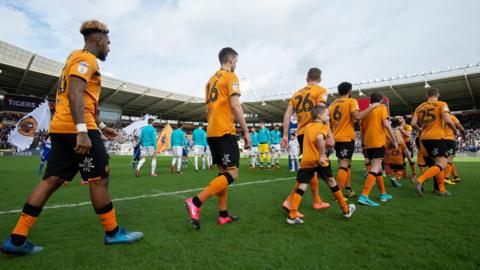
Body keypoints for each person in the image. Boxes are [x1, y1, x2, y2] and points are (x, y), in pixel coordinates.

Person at [1, 20, 143, 255]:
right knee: (99, 180)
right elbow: (75, 93)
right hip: (76, 129)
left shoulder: (73, 58)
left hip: (63, 128)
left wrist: (103, 126)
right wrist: (82, 131)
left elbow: (81, 99)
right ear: (98, 39)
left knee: (52, 180)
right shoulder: (87, 59)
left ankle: (16, 239)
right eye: (108, 42)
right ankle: (113, 232)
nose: (109, 46)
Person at [184, 47, 251, 230]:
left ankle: (223, 214)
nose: (236, 64)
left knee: (223, 173)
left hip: (212, 131)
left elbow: (207, 109)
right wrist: (245, 131)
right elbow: (236, 106)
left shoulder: (209, 81)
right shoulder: (231, 77)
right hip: (224, 131)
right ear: (231, 60)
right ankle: (196, 202)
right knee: (233, 173)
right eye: (236, 61)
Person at [286, 105, 355, 224]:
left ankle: (292, 215)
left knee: (302, 185)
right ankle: (345, 210)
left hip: (306, 160)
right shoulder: (322, 126)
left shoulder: (307, 127)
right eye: (327, 115)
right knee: (332, 182)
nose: (328, 117)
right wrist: (323, 154)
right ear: (319, 116)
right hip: (319, 160)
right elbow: (319, 138)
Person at [281, 68, 331, 212]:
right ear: (320, 79)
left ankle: (317, 200)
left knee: (312, 169)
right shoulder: (321, 90)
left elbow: (287, 114)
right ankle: (290, 200)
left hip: (302, 134)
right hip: (315, 133)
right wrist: (329, 135)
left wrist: (285, 135)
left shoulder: (297, 94)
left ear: (306, 78)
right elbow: (322, 113)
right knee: (309, 170)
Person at [328, 82, 380, 198]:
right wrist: (371, 107)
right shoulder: (351, 101)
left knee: (347, 165)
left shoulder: (332, 104)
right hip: (346, 137)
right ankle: (338, 195)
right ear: (350, 91)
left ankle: (348, 189)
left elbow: (329, 122)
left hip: (336, 137)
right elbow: (358, 116)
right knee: (343, 165)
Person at [411, 87, 457, 196]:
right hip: (436, 137)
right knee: (442, 163)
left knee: (435, 165)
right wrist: (455, 130)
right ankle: (420, 180)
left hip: (423, 139)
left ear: (426, 96)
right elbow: (447, 120)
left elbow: (413, 123)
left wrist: (420, 129)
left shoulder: (419, 107)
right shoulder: (441, 104)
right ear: (438, 95)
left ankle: (440, 189)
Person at [358, 93, 397, 206]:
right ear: (381, 100)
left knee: (378, 168)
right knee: (375, 168)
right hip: (378, 141)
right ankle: (364, 196)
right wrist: (394, 140)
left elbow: (362, 130)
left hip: (368, 142)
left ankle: (383, 194)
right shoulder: (382, 107)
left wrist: (363, 144)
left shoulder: (366, 111)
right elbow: (386, 124)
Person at [442, 114, 466, 184]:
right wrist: (464, 136)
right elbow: (461, 128)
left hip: (441, 140)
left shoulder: (440, 118)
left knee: (446, 159)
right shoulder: (451, 117)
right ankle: (446, 177)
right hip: (449, 140)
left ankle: (455, 177)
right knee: (449, 158)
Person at [397, 115, 416, 180]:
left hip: (407, 144)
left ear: (404, 119)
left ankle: (414, 174)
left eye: (400, 118)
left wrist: (401, 130)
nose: (398, 119)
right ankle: (404, 174)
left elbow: (408, 134)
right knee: (401, 161)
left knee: (410, 158)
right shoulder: (397, 127)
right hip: (400, 145)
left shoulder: (408, 126)